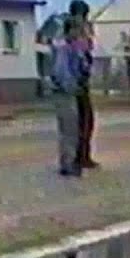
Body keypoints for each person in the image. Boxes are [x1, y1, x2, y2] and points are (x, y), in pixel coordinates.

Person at [50, 20, 91, 177]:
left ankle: (71, 161)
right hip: (64, 93)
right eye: (79, 31)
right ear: (70, 31)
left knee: (73, 128)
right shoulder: (64, 49)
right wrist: (72, 86)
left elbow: (82, 68)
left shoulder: (76, 49)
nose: (81, 34)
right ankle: (68, 163)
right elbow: (61, 73)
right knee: (68, 129)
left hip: (72, 92)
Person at [67, 0, 99, 169]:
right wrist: (85, 70)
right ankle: (82, 156)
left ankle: (78, 155)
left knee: (77, 121)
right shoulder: (78, 30)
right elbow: (81, 54)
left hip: (70, 82)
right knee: (86, 120)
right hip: (79, 82)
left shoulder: (67, 28)